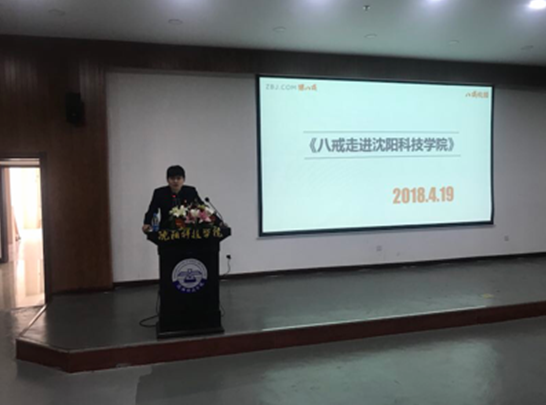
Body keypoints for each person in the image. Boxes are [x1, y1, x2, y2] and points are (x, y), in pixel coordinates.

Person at [142, 165, 201, 233]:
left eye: (178, 178)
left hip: (188, 230)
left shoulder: (191, 191)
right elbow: (152, 210)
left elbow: (202, 207)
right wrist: (147, 223)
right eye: (172, 178)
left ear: (183, 179)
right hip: (166, 229)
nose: (175, 181)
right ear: (167, 180)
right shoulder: (160, 193)